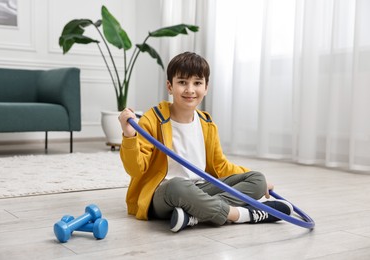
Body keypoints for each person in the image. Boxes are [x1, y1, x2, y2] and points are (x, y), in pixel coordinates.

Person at [118, 51, 293, 232]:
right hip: (165, 194)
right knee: (177, 185)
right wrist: (129, 136)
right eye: (182, 82)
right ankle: (243, 215)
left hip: (201, 189)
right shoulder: (152, 119)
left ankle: (193, 215)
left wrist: (262, 183)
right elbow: (135, 170)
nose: (190, 90)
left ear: (206, 87)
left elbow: (220, 165)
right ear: (170, 86)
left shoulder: (207, 124)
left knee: (257, 179)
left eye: (197, 83)